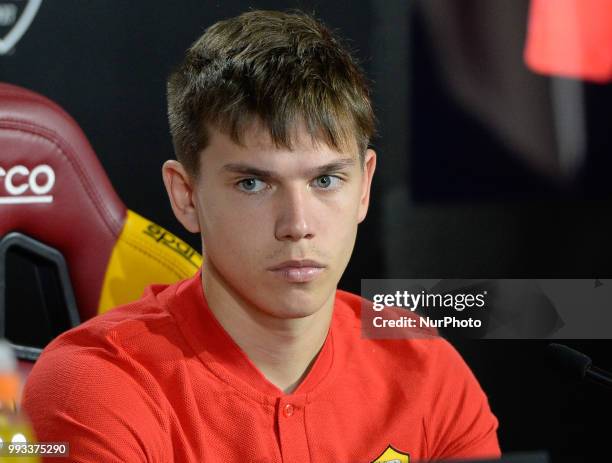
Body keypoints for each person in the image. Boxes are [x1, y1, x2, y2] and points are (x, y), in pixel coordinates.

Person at [22, 10, 501, 462]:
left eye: (325, 180)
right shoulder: (93, 383)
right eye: (253, 183)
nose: (297, 224)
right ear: (186, 195)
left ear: (364, 187)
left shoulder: (425, 369)